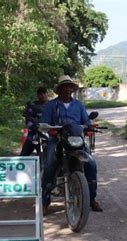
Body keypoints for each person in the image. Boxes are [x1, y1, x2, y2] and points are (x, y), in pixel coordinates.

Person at [40, 75, 103, 214]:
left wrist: (90, 126)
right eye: (65, 87)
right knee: (50, 164)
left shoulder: (78, 105)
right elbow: (43, 123)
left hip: (76, 139)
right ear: (60, 90)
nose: (68, 89)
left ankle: (91, 198)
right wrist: (49, 129)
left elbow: (86, 121)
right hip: (57, 139)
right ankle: (45, 202)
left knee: (91, 164)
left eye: (70, 87)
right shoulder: (51, 105)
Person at [20, 86, 49, 156]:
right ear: (37, 95)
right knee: (28, 145)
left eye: (44, 93)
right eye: (40, 94)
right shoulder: (32, 105)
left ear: (47, 94)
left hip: (50, 132)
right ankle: (21, 163)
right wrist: (33, 126)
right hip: (35, 132)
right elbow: (28, 120)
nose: (42, 96)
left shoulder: (52, 105)